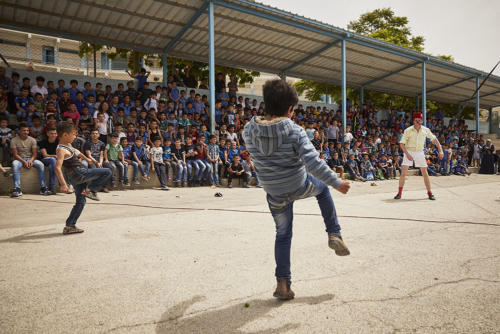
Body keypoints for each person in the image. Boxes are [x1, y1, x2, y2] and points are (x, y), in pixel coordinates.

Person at [243, 79, 350, 300]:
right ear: (290, 109)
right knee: (322, 189)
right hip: (298, 184)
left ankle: (283, 284)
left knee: (282, 235)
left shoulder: (248, 129)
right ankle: (334, 233)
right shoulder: (296, 131)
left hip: (273, 191)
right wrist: (337, 183)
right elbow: (314, 164)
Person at [55, 122, 111, 234]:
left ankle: (70, 226)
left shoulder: (68, 145)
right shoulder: (61, 149)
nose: (75, 137)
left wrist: (87, 159)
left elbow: (78, 152)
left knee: (81, 202)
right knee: (107, 171)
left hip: (76, 177)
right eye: (74, 134)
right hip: (79, 173)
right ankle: (92, 190)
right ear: (65, 135)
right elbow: (57, 168)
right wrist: (63, 184)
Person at [395, 112, 443, 200]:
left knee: (425, 172)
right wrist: (407, 154)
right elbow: (401, 144)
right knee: (403, 173)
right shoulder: (408, 130)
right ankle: (399, 193)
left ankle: (430, 193)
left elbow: (435, 139)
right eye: (416, 120)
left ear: (421, 121)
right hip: (409, 151)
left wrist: (440, 150)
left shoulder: (425, 130)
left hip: (420, 152)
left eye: (419, 120)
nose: (418, 121)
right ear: (413, 120)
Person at [10, 124, 49, 197]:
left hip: (30, 158)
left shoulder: (32, 140)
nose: (26, 132)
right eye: (24, 130)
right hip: (19, 159)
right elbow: (15, 154)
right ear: (19, 131)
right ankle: (17, 189)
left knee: (40, 164)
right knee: (14, 164)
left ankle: (43, 187)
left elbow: (34, 154)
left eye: (27, 130)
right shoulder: (14, 140)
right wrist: (24, 162)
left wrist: (30, 161)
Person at [39, 127, 59, 195]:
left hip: (54, 162)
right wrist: (55, 156)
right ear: (47, 134)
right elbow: (45, 155)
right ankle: (52, 186)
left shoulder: (59, 142)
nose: (53, 135)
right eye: (51, 133)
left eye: (55, 133)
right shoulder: (43, 142)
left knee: (52, 166)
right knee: (52, 159)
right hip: (44, 160)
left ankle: (51, 188)